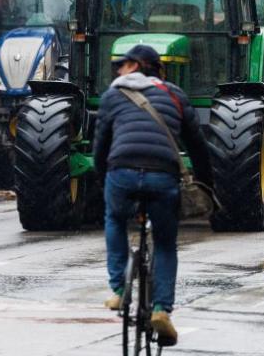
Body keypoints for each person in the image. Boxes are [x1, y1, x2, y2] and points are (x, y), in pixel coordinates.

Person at [93, 44, 211, 347]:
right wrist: (205, 184)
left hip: (121, 172)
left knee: (114, 218)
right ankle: (161, 310)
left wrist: (103, 181)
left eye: (122, 65)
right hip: (163, 175)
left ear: (135, 66)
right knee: (166, 242)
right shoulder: (175, 95)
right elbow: (197, 146)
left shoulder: (112, 96)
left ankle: (119, 290)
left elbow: (100, 147)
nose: (117, 70)